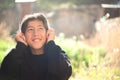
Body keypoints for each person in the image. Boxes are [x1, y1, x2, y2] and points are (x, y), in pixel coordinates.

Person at [0, 13, 72, 80]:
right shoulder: (17, 56)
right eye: (30, 29)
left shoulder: (57, 54)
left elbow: (62, 75)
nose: (36, 34)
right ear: (23, 35)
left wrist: (50, 43)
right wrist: (20, 46)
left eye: (40, 28)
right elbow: (5, 74)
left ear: (47, 33)